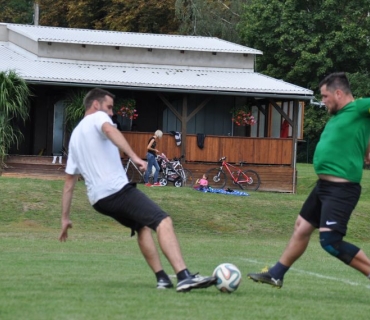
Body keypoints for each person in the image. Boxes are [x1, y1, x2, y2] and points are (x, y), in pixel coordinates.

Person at [59, 88, 216, 292]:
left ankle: (162, 278)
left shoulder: (75, 137)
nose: (112, 113)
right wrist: (133, 156)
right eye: (109, 107)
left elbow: (69, 182)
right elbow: (110, 130)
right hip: (116, 191)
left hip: (99, 201)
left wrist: (65, 218)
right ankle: (184, 276)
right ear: (96, 105)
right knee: (163, 221)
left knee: (142, 226)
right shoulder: (98, 117)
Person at [247, 72, 370, 289]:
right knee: (302, 227)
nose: (323, 102)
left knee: (330, 242)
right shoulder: (341, 116)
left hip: (342, 189)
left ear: (339, 93)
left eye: (325, 96)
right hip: (323, 187)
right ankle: (276, 274)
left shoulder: (359, 108)